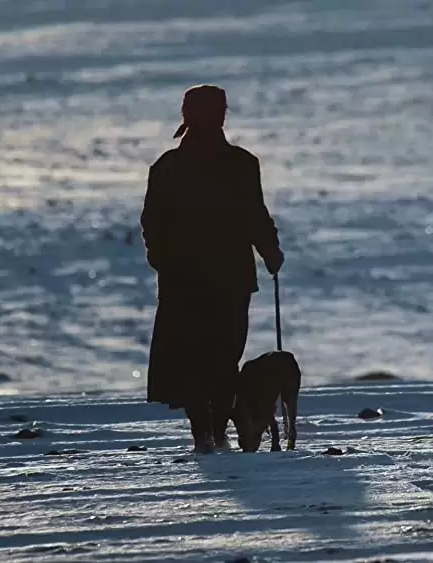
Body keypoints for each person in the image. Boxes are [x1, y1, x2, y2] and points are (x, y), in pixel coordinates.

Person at [140, 85, 285, 453]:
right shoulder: (241, 163)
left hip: (181, 281)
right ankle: (218, 432)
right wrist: (270, 252)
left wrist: (162, 261)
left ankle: (203, 434)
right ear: (222, 115)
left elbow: (152, 224)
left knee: (190, 356)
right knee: (223, 356)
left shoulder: (167, 167)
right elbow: (255, 215)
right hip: (230, 278)